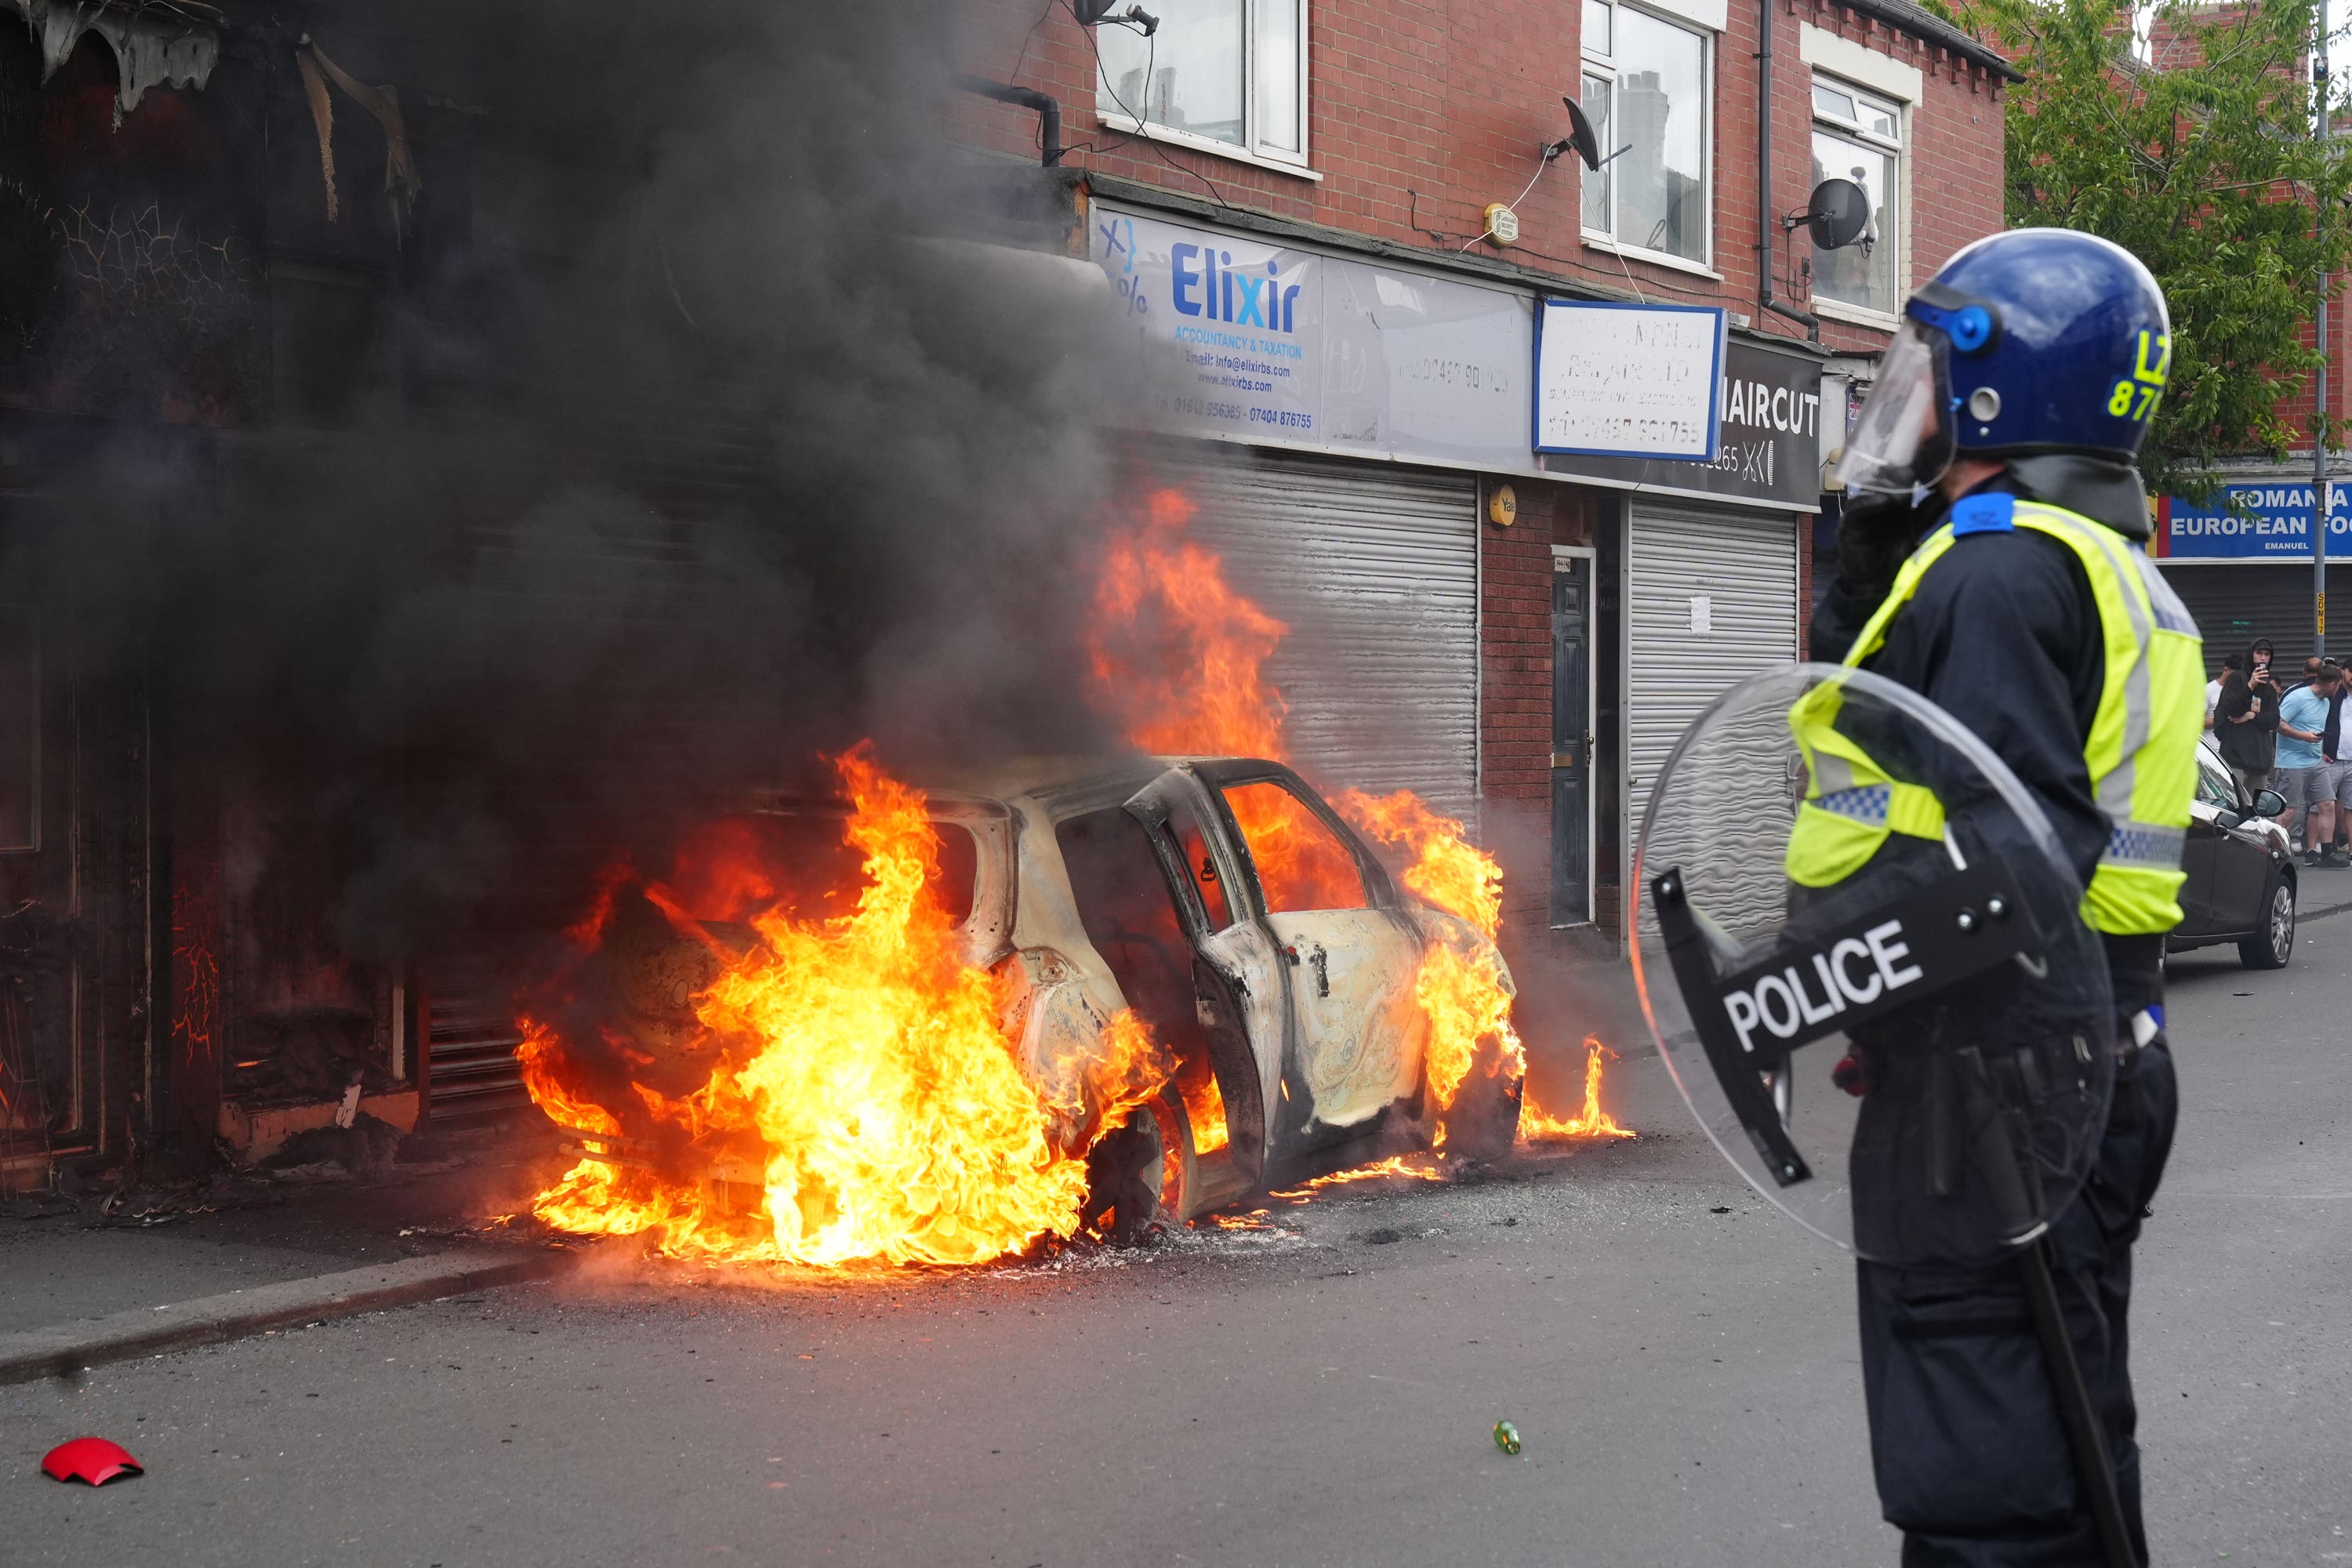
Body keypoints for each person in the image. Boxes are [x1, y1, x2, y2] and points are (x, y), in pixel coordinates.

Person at [1812, 227, 2194, 1566]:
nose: (1898, 398)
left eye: (1927, 364)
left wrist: (1804, 981)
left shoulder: (1997, 571)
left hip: (1995, 1093)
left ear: (1999, 391)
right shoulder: (2090, 559)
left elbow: (2009, 868)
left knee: (1994, 1488)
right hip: (2071, 1063)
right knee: (2061, 1442)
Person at [2278, 663, 2343, 865]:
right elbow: (2277, 723)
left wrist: (2320, 750)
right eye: (2339, 685)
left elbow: (2315, 728)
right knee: (2289, 811)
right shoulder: (2297, 698)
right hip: (2292, 762)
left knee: (2327, 804)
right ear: (2332, 684)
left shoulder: (2325, 702)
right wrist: (2302, 736)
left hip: (2316, 761)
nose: (2339, 689)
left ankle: (2327, 854)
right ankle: (2275, 853)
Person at [2206, 652, 2241, 729]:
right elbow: (2198, 721)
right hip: (2211, 740)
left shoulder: (2240, 690)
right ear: (2225, 670)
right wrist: (2222, 719)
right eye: (2234, 675)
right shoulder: (2208, 690)